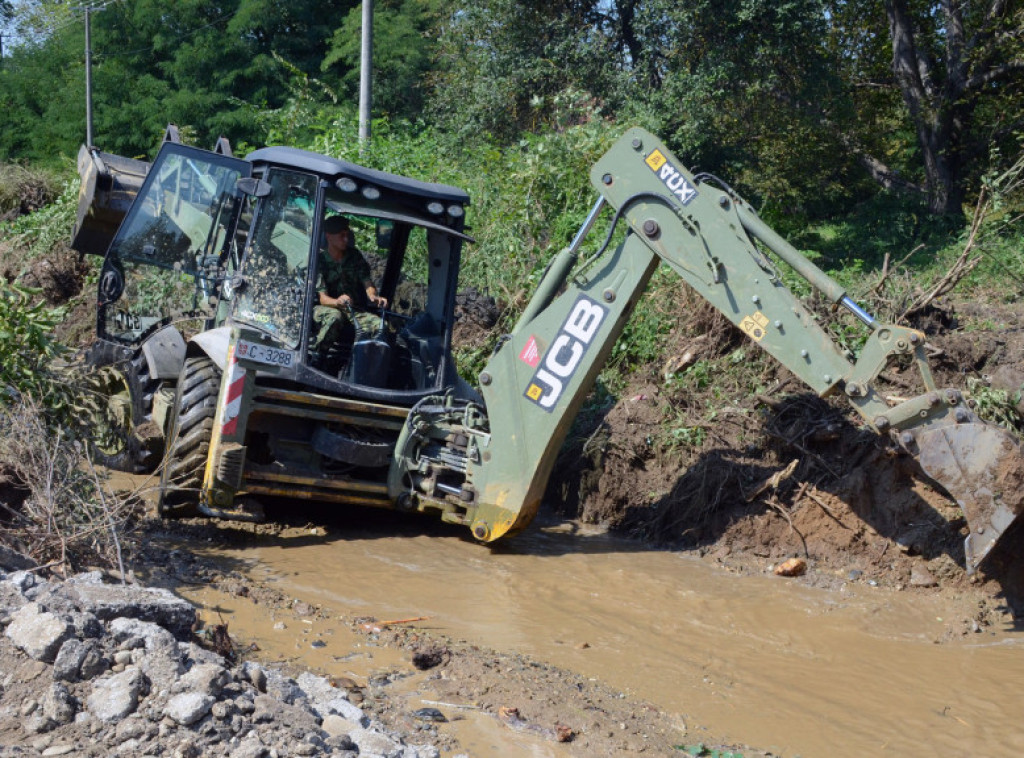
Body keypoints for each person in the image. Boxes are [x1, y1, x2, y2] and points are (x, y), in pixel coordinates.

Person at [311, 215, 388, 369]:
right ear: (328, 236)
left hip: (353, 310)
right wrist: (338, 302)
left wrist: (373, 296)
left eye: (347, 235)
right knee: (335, 317)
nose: (346, 239)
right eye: (342, 235)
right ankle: (317, 360)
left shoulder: (355, 257)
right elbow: (323, 299)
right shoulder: (318, 261)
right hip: (326, 309)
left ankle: (365, 366)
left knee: (381, 326)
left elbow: (367, 282)